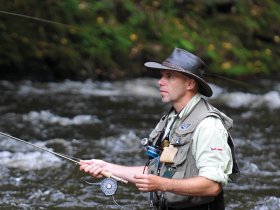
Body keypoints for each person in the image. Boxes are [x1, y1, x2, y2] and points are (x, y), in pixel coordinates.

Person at [79, 48, 239, 210]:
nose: (160, 82)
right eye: (162, 75)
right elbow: (161, 171)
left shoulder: (208, 125)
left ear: (190, 83)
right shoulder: (172, 119)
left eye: (169, 76)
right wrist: (106, 167)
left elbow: (212, 186)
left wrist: (163, 184)